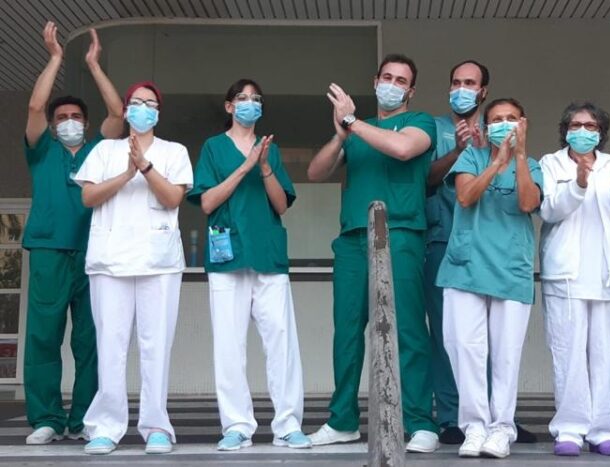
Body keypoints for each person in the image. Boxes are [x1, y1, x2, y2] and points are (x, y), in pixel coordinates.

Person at [306, 54, 440, 453]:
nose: (393, 84)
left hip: (399, 233)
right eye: (387, 76)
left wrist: (352, 122)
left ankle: (418, 422)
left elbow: (401, 150)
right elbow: (316, 172)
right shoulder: (357, 133)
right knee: (347, 330)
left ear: (411, 91)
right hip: (351, 238)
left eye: (401, 80)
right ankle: (342, 420)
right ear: (375, 79)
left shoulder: (420, 123)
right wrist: (340, 135)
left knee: (409, 329)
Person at [187, 79, 311, 451]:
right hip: (227, 258)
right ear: (228, 106)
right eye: (242, 98)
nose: (249, 104)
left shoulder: (269, 150)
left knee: (282, 344)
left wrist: (266, 167)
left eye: (256, 99)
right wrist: (246, 167)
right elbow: (207, 202)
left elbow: (281, 205)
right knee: (228, 346)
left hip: (268, 256)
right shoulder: (213, 147)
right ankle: (237, 425)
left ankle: (288, 424)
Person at [76, 81, 194, 455]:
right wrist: (126, 174)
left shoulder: (173, 151)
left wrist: (144, 167)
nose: (144, 109)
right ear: (125, 110)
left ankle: (156, 425)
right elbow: (87, 195)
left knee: (156, 344)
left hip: (158, 261)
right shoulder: (104, 150)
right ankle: (105, 426)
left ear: (159, 112)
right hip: (109, 260)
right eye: (137, 103)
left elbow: (174, 196)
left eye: (151, 103)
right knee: (110, 344)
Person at [21, 22, 124, 445]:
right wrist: (56, 59)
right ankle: (46, 417)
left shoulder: (99, 150)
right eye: (61, 118)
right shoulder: (42, 149)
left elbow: (118, 115)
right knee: (44, 338)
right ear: (52, 124)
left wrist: (94, 66)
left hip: (93, 254)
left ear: (85, 123)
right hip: (48, 250)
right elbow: (33, 110)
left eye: (75, 118)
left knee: (91, 340)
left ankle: (84, 418)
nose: (68, 123)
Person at [437, 98, 542, 459]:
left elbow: (528, 203)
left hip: (510, 269)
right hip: (466, 268)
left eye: (511, 119)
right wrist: (497, 162)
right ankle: (475, 426)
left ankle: (501, 428)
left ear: (523, 124)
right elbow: (465, 196)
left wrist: (520, 157)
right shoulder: (472, 157)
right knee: (466, 350)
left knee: (506, 355)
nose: (503, 125)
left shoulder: (535, 165)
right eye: (496, 119)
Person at [539, 102, 610, 457]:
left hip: (607, 273)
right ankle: (569, 429)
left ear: (601, 132)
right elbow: (549, 209)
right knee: (567, 353)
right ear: (565, 129)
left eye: (590, 125)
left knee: (604, 354)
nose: (583, 130)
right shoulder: (551, 163)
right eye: (576, 124)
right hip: (566, 274)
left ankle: (602, 430)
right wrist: (579, 183)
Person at [424, 59, 488, 445]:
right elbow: (425, 178)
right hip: (442, 240)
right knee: (447, 336)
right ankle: (450, 417)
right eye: (456, 82)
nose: (462, 88)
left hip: (489, 246)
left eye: (470, 83)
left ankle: (496, 418)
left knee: (489, 337)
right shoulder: (432, 128)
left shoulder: (498, 126)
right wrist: (459, 152)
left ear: (483, 91)